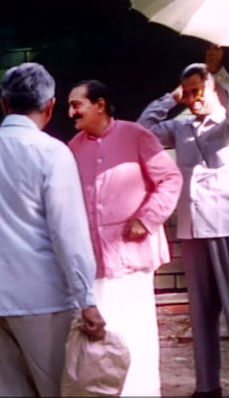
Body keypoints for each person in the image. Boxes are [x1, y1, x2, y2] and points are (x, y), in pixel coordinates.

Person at [0, 62, 106, 396]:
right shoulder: (52, 152)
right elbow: (68, 232)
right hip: (46, 298)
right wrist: (87, 299)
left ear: (4, 103)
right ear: (50, 105)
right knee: (58, 390)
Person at [138, 45, 229, 398]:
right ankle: (207, 386)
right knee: (201, 313)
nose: (194, 98)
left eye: (200, 90)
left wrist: (220, 73)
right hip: (194, 229)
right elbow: (142, 133)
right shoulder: (180, 128)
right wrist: (171, 98)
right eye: (190, 92)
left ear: (213, 89)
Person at [68, 80, 183, 396]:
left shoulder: (136, 135)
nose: (71, 112)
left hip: (133, 257)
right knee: (102, 336)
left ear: (100, 105)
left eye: (77, 105)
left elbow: (170, 178)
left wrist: (146, 219)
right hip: (95, 262)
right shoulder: (72, 149)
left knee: (136, 335)